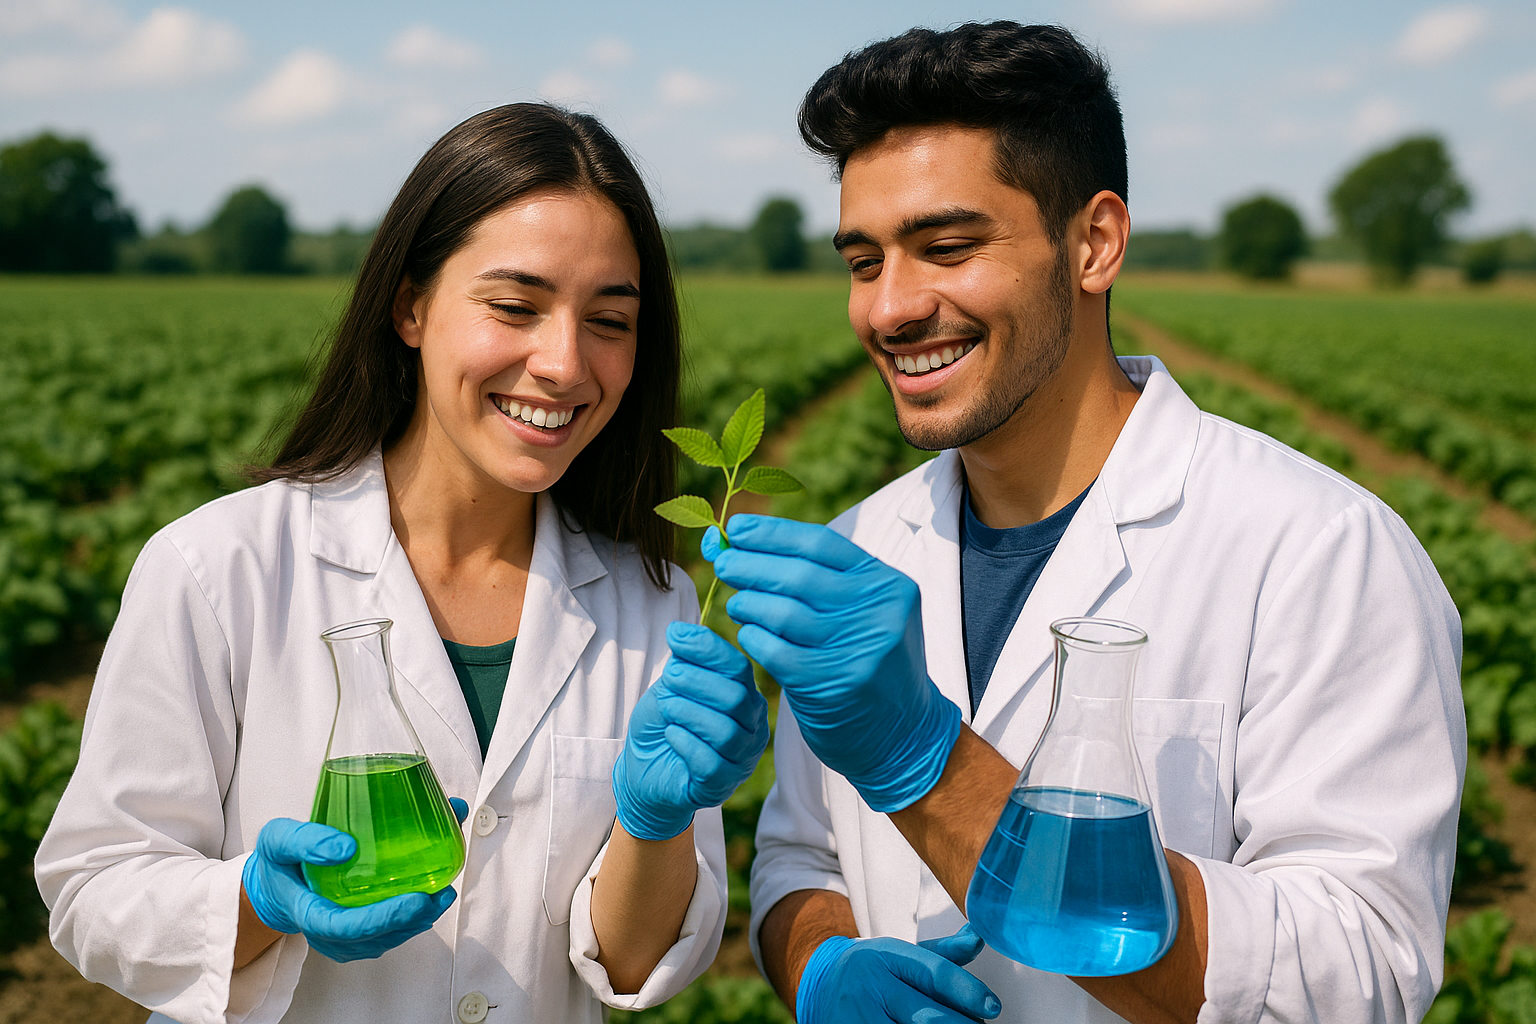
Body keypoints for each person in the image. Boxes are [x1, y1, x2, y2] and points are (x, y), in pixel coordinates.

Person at [708, 22, 1466, 1024]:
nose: (890, 307)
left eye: (946, 247)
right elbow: (802, 857)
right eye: (863, 260)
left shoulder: (1320, 552)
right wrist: (818, 960)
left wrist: (930, 765)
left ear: (1094, 242)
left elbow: (1354, 978)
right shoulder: (858, 548)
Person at [35, 103, 769, 1024]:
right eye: (514, 307)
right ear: (410, 305)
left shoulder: (655, 606)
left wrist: (655, 825)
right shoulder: (218, 567)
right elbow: (93, 890)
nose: (564, 362)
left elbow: (628, 965)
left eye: (609, 321)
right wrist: (258, 905)